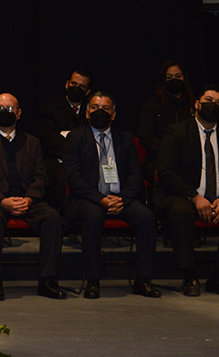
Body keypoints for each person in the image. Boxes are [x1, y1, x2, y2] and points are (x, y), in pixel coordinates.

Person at [155, 84, 219, 296]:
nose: (213, 105)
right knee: (180, 213)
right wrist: (194, 197)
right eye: (208, 101)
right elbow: (165, 172)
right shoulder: (177, 131)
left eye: (218, 103)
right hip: (185, 196)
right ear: (197, 104)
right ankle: (189, 276)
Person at [0, 93, 66, 301]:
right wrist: (2, 201)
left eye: (10, 109)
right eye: (0, 108)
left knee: (51, 216)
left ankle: (48, 280)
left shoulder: (32, 142)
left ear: (19, 114)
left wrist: (29, 199)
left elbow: (41, 176)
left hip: (25, 199)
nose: (5, 112)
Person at [63, 92, 161, 299]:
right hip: (89, 199)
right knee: (94, 216)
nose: (100, 112)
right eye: (95, 108)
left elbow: (136, 174)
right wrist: (101, 199)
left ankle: (143, 280)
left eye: (106, 108)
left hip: (120, 198)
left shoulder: (124, 138)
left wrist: (122, 199)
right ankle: (92, 280)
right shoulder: (76, 138)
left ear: (114, 114)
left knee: (147, 218)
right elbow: (73, 177)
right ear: (88, 113)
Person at [37, 70, 92, 211]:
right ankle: (65, 216)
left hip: (85, 160)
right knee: (60, 176)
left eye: (81, 86)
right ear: (67, 84)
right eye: (74, 83)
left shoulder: (92, 111)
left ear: (87, 92)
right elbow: (50, 141)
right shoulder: (50, 109)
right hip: (57, 160)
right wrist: (74, 154)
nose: (76, 88)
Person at [138, 60, 195, 185]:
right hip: (158, 159)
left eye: (178, 76)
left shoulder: (194, 105)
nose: (174, 80)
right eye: (169, 77)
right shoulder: (152, 105)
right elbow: (146, 136)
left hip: (191, 159)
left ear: (184, 78)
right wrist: (168, 154)